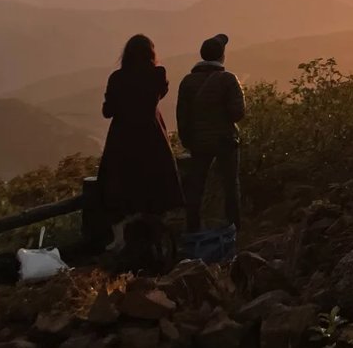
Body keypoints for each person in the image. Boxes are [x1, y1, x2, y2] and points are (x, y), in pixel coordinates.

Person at [96, 34, 184, 247]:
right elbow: (161, 93)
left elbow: (107, 111)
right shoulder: (157, 74)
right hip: (151, 136)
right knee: (154, 184)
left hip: (122, 138)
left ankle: (121, 241)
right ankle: (156, 238)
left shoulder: (117, 78)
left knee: (121, 186)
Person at [177, 33, 245, 233]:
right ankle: (233, 229)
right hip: (225, 141)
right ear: (221, 56)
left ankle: (193, 229)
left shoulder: (188, 82)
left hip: (198, 143)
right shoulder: (228, 80)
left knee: (196, 187)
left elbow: (182, 117)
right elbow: (237, 113)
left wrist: (188, 141)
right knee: (230, 186)